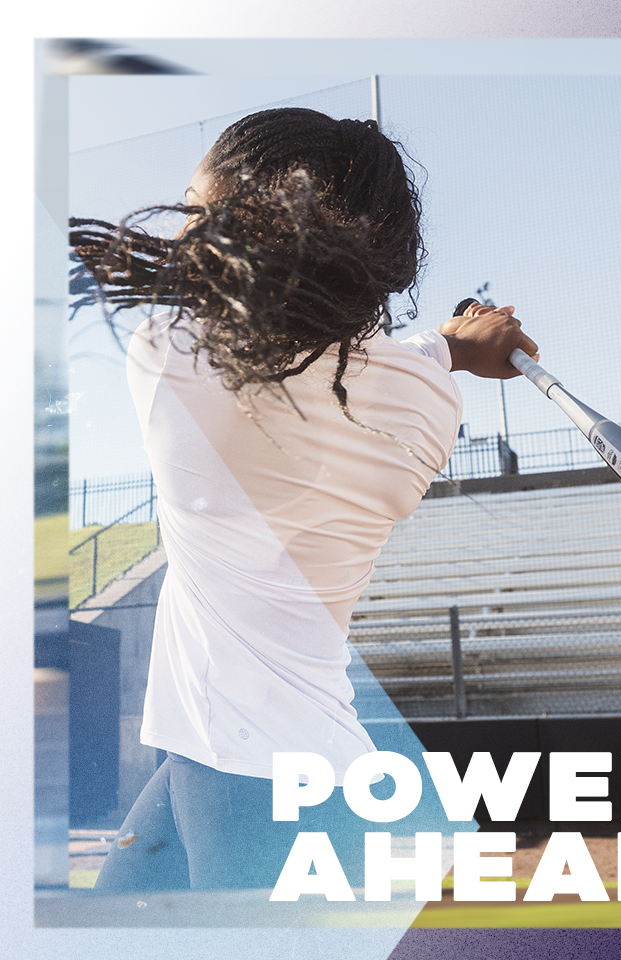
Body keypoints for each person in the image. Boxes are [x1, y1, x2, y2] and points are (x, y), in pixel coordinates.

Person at [70, 107, 538, 891]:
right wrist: (459, 343)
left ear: (246, 227)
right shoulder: (429, 403)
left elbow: (372, 351)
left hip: (252, 779)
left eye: (197, 208)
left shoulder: (177, 359)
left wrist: (452, 342)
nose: (187, 229)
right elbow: (396, 359)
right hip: (272, 762)